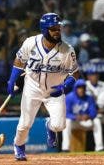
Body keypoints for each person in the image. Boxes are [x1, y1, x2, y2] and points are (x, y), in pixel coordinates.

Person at [7, 13, 79, 160]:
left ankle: (49, 125)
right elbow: (19, 61)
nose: (57, 31)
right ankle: (19, 147)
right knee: (25, 124)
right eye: (53, 29)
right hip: (32, 87)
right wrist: (12, 80)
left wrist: (65, 87)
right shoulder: (30, 43)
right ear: (45, 30)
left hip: (55, 90)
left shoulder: (67, 50)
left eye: (58, 28)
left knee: (59, 126)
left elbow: (75, 73)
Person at [62, 79, 104, 152]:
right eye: (79, 87)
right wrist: (75, 117)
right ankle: (65, 148)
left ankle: (99, 147)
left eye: (83, 87)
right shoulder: (69, 97)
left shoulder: (89, 98)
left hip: (86, 121)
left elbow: (94, 112)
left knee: (97, 121)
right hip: (75, 122)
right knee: (66, 122)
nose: (81, 89)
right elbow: (66, 113)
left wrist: (89, 116)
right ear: (75, 88)